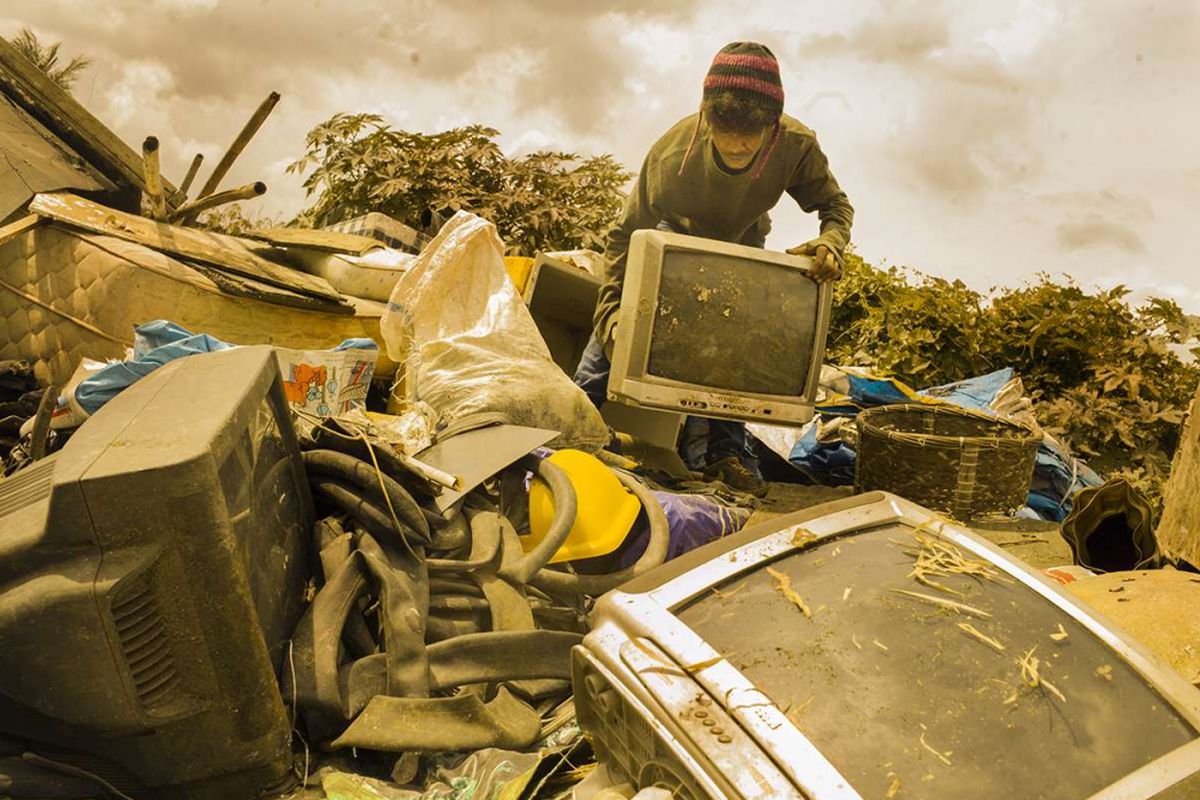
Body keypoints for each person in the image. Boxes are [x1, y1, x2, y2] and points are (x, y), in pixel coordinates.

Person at [573, 41, 854, 496]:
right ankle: (574, 422)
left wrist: (831, 242)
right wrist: (612, 319)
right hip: (673, 236)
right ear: (706, 117)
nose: (738, 143)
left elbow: (836, 206)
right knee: (622, 338)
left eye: (752, 133)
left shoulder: (797, 146)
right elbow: (624, 238)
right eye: (725, 130)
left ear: (774, 125)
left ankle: (725, 452)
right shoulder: (670, 156)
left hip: (744, 239)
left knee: (732, 350)